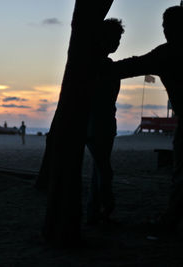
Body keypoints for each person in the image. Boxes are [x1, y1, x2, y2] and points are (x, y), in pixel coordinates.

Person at [112, 6, 183, 230]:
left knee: (181, 174)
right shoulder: (166, 54)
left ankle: (172, 219)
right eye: (164, 26)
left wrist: (101, 67)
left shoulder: (168, 53)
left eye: (168, 26)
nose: (165, 30)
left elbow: (133, 65)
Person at [86, 18, 125, 224]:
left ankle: (95, 212)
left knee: (99, 169)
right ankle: (103, 209)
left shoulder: (105, 65)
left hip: (104, 124)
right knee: (103, 169)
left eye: (119, 39)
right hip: (96, 125)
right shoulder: (94, 65)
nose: (117, 43)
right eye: (114, 38)